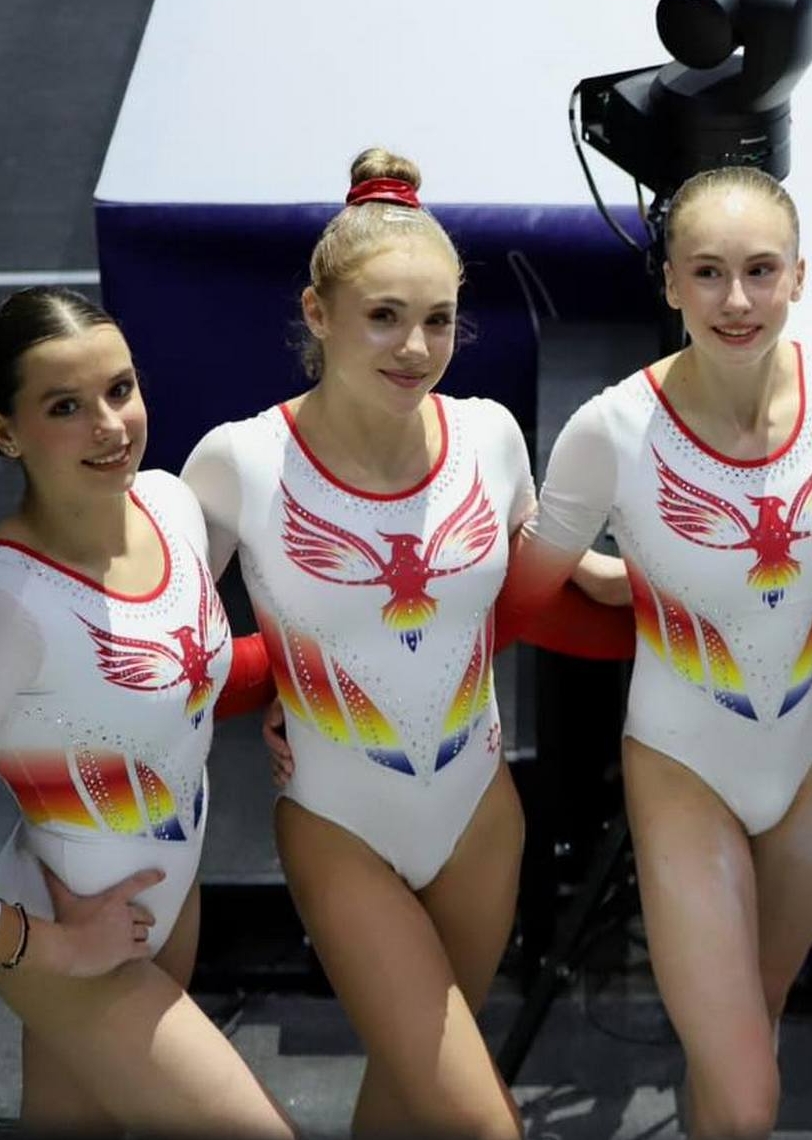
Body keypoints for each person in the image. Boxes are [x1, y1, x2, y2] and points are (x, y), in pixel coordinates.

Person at [183, 149, 627, 1137]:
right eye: (383, 315)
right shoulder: (240, 462)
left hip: (480, 819)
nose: (416, 347)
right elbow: (166, 640)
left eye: (438, 319)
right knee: (480, 1119)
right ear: (318, 312)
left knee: (407, 1096)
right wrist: (271, 678)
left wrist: (610, 574)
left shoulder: (490, 435)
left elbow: (516, 581)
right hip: (340, 824)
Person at [504, 165, 812, 1139]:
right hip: (684, 769)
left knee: (754, 1026)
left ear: (800, 275)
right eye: (707, 272)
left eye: (760, 270)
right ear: (669, 282)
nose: (736, 300)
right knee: (747, 1092)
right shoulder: (610, 430)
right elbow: (515, 601)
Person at [0, 287, 290, 1133]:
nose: (110, 426)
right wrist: (52, 949)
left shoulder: (173, 506)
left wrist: (288, 686)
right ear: (6, 431)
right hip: (69, 945)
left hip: (162, 911)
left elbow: (182, 681)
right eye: (65, 406)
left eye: (120, 389)